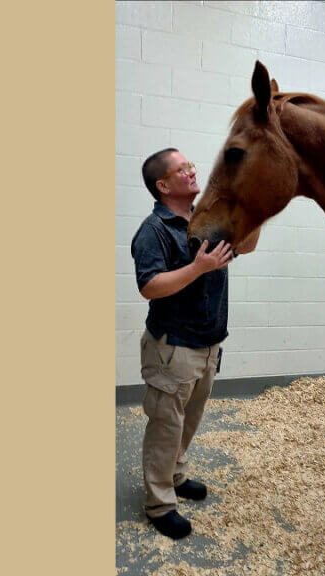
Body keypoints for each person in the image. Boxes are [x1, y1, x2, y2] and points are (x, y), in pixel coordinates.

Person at [130, 148, 260, 539]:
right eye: (181, 168)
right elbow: (149, 286)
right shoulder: (153, 230)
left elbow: (247, 246)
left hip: (208, 343)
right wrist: (198, 268)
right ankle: (159, 503)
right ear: (163, 185)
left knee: (188, 421)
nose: (191, 171)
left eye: (190, 165)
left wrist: (253, 212)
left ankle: (175, 475)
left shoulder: (207, 220)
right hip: (173, 346)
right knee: (166, 426)